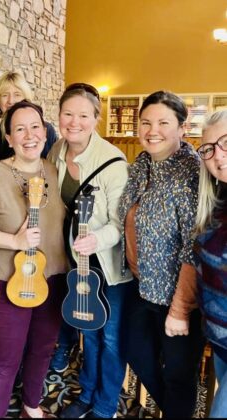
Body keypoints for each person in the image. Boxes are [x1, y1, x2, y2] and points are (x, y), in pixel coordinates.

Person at [0, 100, 68, 418]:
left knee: (41, 349)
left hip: (52, 279)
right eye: (19, 129)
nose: (29, 135)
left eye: (35, 126)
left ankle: (31, 407)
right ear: (8, 138)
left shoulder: (55, 171)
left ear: (45, 131)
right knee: (5, 360)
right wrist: (14, 241)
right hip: (5, 281)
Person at [48, 83, 134, 419]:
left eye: (83, 115)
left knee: (110, 338)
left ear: (96, 118)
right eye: (68, 114)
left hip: (108, 266)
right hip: (75, 262)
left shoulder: (113, 161)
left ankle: (105, 404)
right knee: (88, 332)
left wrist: (96, 239)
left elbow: (120, 222)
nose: (74, 122)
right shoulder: (56, 151)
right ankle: (87, 393)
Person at [118, 91, 206, 417]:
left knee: (179, 376)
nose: (152, 130)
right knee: (136, 351)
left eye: (163, 123)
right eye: (146, 122)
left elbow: (193, 246)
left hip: (179, 296)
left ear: (182, 128)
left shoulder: (190, 173)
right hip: (143, 287)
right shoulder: (142, 165)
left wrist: (181, 309)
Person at [194, 110, 227, 418]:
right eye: (208, 148)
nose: (218, 156)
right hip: (218, 337)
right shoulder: (215, 201)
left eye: (225, 142)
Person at [0, 70, 58, 159]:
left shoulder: (47, 131)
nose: (11, 101)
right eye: (4, 95)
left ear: (26, 98)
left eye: (17, 94)